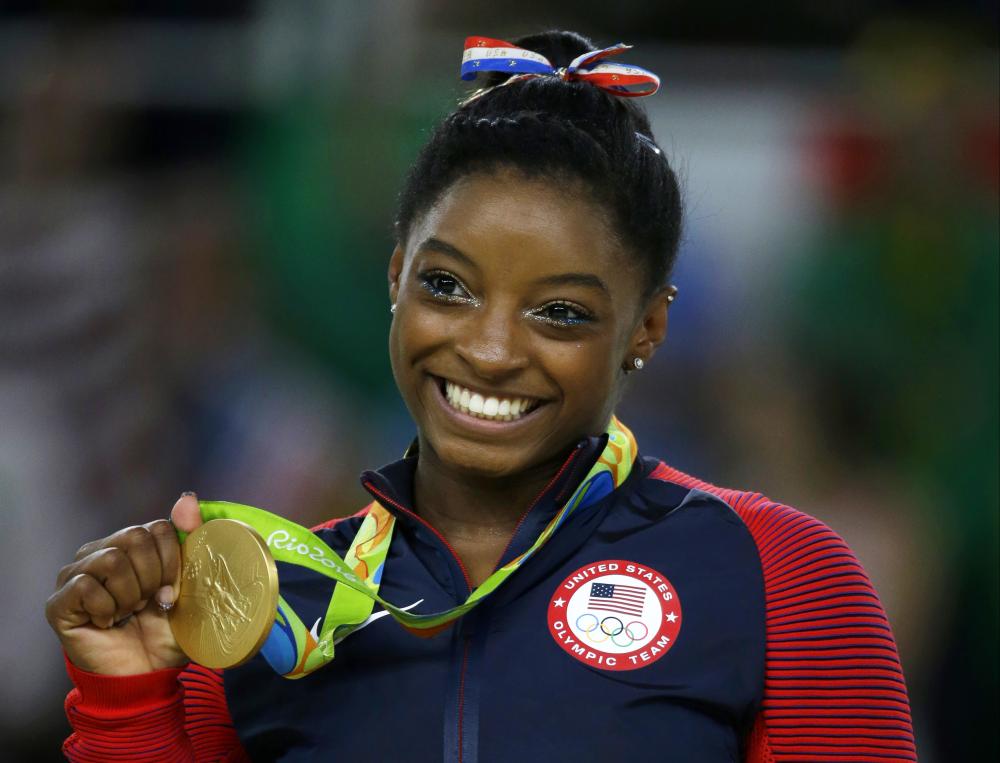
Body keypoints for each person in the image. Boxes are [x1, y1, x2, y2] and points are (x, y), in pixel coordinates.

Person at [46, 31, 917, 762]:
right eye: (448, 287)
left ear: (647, 329)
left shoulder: (781, 577)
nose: (491, 349)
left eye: (561, 312)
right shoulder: (262, 608)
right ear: (396, 276)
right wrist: (130, 696)